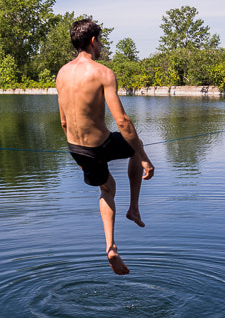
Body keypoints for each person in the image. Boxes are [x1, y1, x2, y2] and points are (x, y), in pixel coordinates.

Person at [57, 19, 155, 275]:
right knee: (136, 145)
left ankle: (111, 246)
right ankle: (133, 208)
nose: (101, 45)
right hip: (99, 144)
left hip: (76, 147)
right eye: (100, 40)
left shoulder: (62, 74)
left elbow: (64, 121)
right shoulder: (103, 73)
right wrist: (144, 158)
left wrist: (76, 155)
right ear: (92, 41)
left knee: (107, 187)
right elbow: (122, 121)